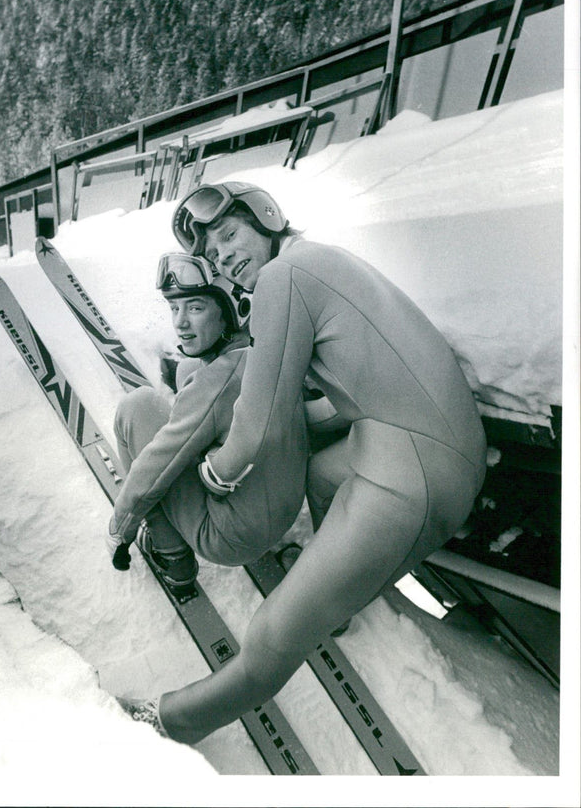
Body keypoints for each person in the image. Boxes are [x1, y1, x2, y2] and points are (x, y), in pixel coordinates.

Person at [124, 181, 487, 744]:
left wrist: (215, 472)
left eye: (231, 234)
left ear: (266, 219)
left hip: (411, 473)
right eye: (215, 253)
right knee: (320, 475)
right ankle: (333, 595)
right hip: (426, 445)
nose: (226, 255)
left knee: (272, 631)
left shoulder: (281, 277)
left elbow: (260, 417)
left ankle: (171, 721)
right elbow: (345, 391)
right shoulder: (319, 260)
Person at [105, 251, 308, 602]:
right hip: (281, 512)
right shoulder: (269, 350)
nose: (180, 323)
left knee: (136, 406)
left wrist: (119, 531)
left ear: (232, 310)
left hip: (228, 536)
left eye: (196, 308)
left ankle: (173, 556)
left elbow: (155, 468)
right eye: (174, 309)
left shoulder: (216, 382)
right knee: (187, 371)